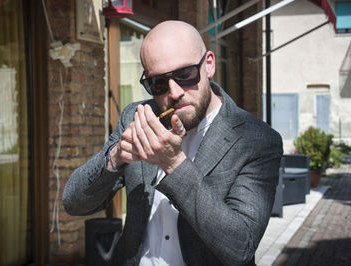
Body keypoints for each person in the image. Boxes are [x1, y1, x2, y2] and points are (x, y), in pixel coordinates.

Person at [63, 20, 283, 266]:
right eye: (158, 83)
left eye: (185, 75)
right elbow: (74, 203)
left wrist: (174, 164)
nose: (175, 92)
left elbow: (240, 246)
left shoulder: (257, 140)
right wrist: (114, 158)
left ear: (209, 65)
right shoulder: (138, 116)